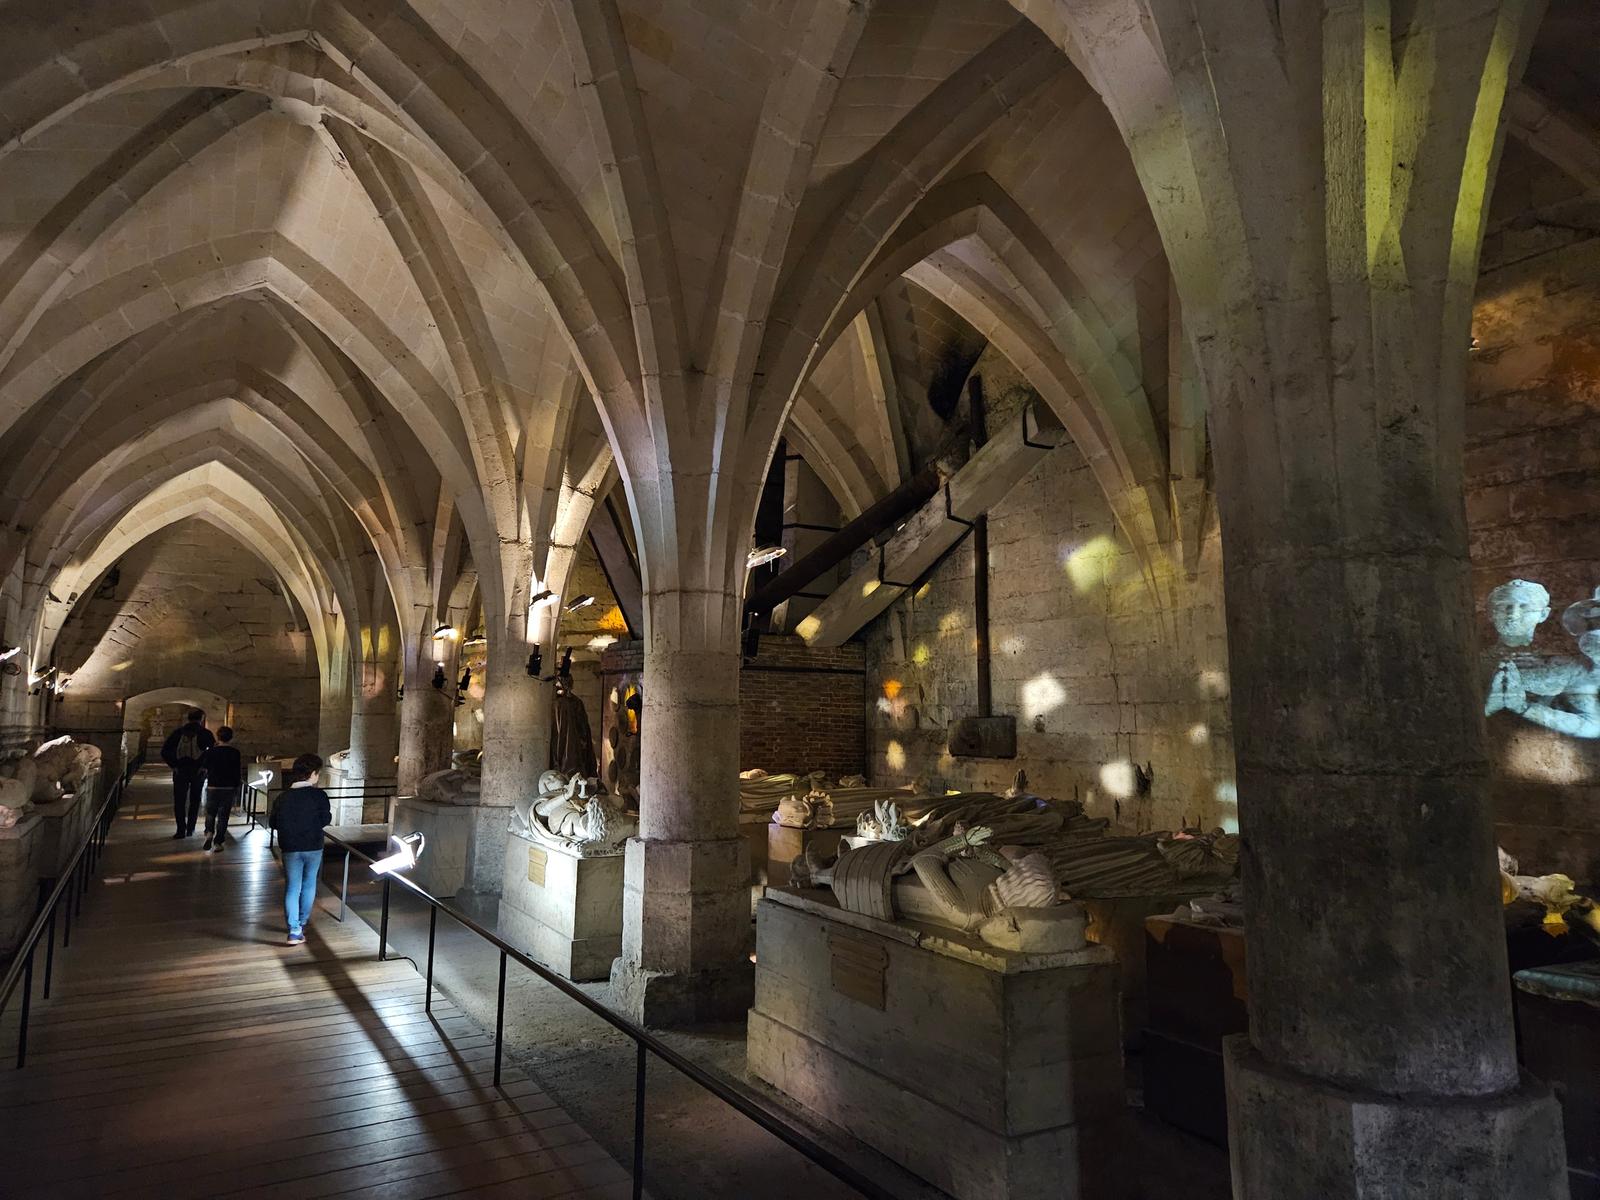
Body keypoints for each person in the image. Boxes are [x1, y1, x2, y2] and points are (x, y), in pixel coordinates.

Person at [271, 753, 330, 946]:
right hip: (313, 845)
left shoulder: (283, 797)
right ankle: (303, 921)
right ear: (312, 774)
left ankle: (294, 929)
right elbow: (325, 819)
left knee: (292, 887)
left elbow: (273, 822)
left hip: (290, 846)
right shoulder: (319, 795)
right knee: (310, 884)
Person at [161, 710, 215, 839]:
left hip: (181, 770)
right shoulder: (205, 733)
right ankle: (191, 828)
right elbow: (212, 752)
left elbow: (165, 751)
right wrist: (204, 767)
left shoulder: (178, 733)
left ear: (188, 718)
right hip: (198, 771)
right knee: (195, 801)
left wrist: (174, 765)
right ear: (201, 719)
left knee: (179, 801)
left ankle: (180, 830)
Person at [200, 726, 243, 852]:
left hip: (213, 785)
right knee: (223, 816)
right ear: (231, 737)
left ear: (218, 737)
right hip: (228, 787)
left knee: (211, 813)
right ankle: (218, 841)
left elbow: (205, 767)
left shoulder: (211, 752)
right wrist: (236, 785)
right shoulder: (235, 752)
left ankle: (209, 833)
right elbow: (236, 771)